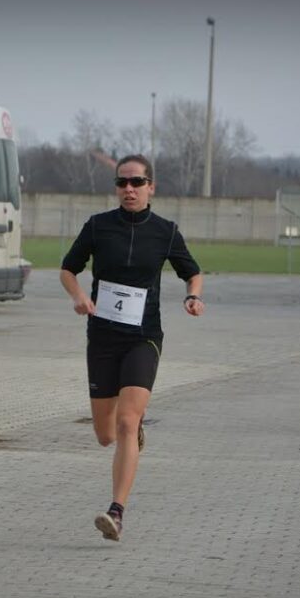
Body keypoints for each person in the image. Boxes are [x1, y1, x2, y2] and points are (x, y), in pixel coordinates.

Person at [60, 154, 204, 542]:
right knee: (106, 434)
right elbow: (67, 268)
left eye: (137, 182)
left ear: (151, 187)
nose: (129, 189)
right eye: (122, 183)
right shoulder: (98, 227)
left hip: (144, 337)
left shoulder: (165, 231)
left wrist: (192, 296)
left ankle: (116, 512)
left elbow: (192, 271)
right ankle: (132, 436)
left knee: (127, 421)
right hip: (103, 338)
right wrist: (78, 297)